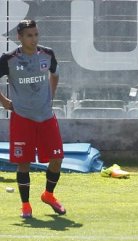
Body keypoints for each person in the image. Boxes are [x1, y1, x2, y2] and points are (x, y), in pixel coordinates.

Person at [0, 19, 66, 218]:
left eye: (36, 34)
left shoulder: (48, 54)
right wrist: (3, 101)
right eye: (29, 35)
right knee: (24, 162)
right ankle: (26, 205)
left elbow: (55, 75)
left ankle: (48, 194)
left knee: (57, 158)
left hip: (46, 116)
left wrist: (50, 96)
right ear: (19, 37)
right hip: (22, 117)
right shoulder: (8, 59)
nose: (34, 39)